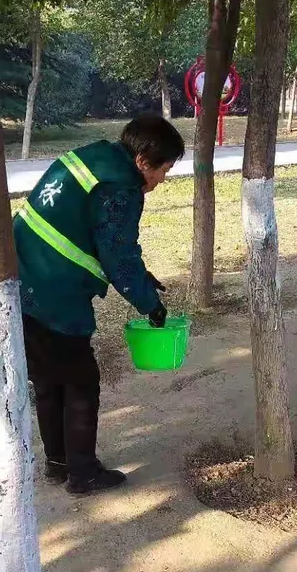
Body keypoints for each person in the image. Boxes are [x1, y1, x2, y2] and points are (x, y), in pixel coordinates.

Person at [13, 113, 185, 496]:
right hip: (54, 291)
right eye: (165, 169)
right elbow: (118, 256)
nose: (162, 179)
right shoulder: (119, 188)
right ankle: (83, 474)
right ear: (143, 161)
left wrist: (145, 278)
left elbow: (93, 234)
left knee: (48, 381)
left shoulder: (94, 158)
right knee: (80, 382)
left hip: (20, 281)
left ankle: (58, 463)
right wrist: (150, 304)